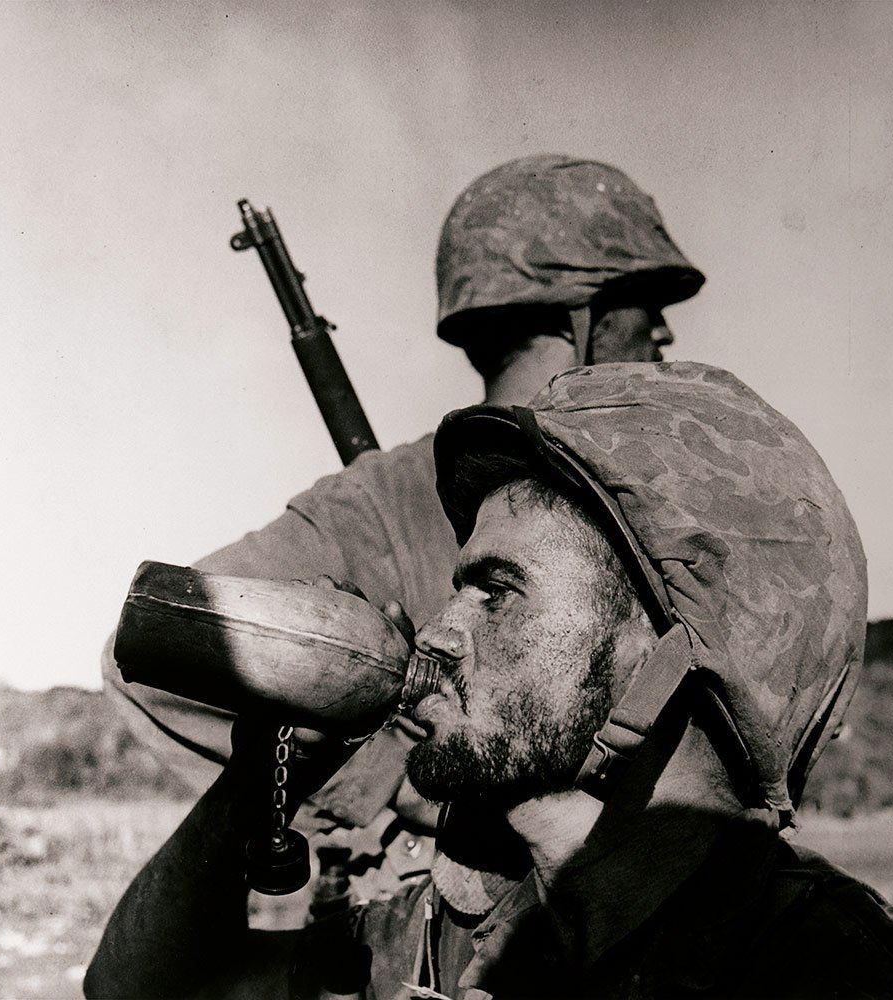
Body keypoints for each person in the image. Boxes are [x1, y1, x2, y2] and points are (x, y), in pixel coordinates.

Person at [87, 362, 893, 999]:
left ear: (667, 650)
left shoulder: (845, 973)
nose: (436, 628)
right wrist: (260, 779)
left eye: (496, 593)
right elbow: (143, 990)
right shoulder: (451, 924)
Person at [102, 155, 705, 903]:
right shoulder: (386, 501)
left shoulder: (657, 491)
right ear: (570, 314)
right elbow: (160, 635)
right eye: (638, 299)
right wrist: (390, 776)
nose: (661, 326)